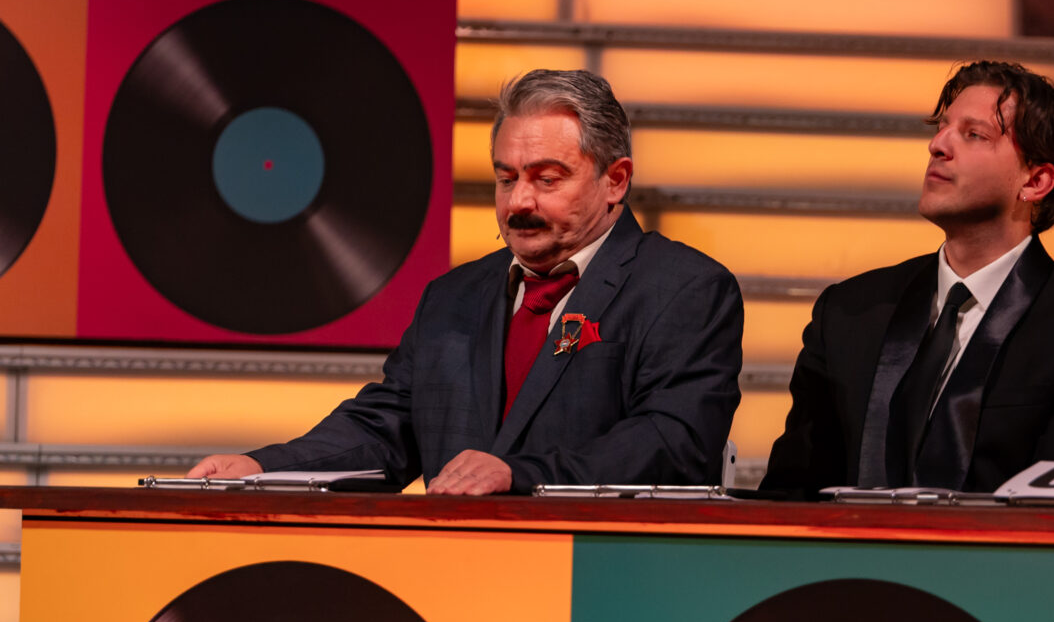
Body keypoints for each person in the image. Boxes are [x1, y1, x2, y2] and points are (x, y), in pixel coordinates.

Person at [189, 69, 743, 494]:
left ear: (615, 180)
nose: (519, 201)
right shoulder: (452, 297)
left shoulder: (684, 290)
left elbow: (675, 442)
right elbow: (387, 428)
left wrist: (520, 474)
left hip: (599, 580)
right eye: (506, 178)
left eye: (547, 179)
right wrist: (262, 466)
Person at [759, 61, 1054, 496]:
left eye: (974, 134)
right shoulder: (849, 310)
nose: (938, 145)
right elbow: (791, 490)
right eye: (942, 127)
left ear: (1036, 181)